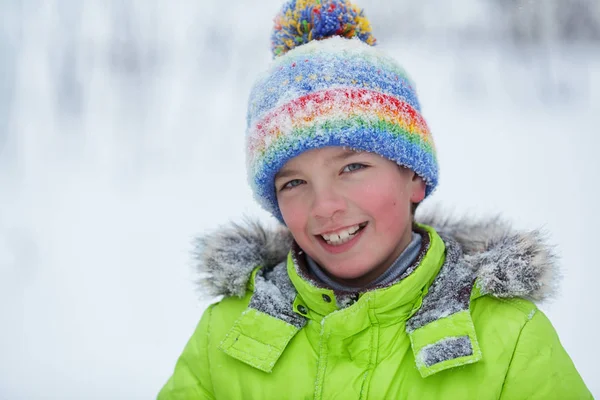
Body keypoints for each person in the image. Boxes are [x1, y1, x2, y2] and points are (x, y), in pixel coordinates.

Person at [158, 1, 592, 398]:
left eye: (352, 168)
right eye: (293, 183)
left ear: (414, 179)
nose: (324, 206)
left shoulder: (509, 338)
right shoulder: (227, 333)